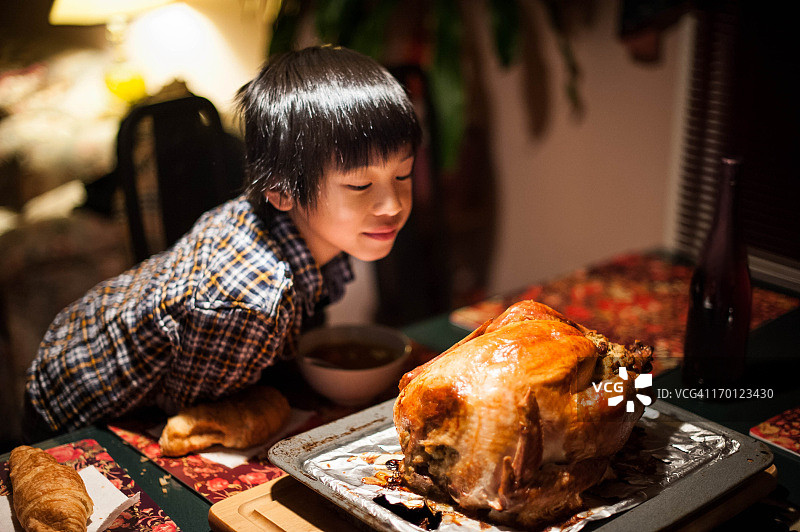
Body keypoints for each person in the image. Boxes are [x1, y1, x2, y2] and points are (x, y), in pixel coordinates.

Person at [21, 45, 421, 441]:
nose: (392, 204)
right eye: (360, 184)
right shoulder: (248, 301)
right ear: (280, 190)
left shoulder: (305, 232)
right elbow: (195, 415)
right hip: (69, 415)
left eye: (402, 174)